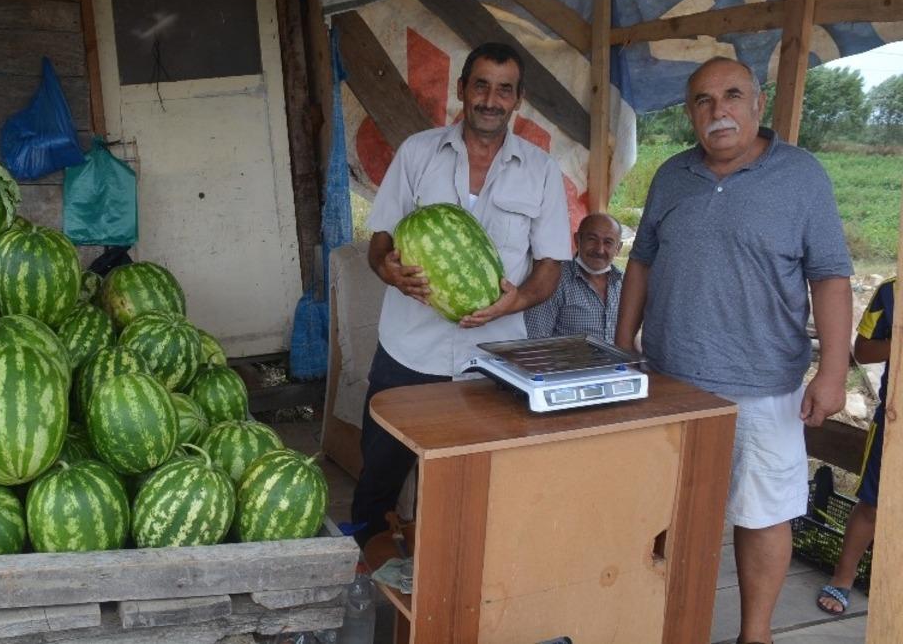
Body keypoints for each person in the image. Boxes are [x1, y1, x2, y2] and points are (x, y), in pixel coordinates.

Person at [615, 56, 853, 644]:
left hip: (763, 385)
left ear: (758, 103)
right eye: (702, 99)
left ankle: (755, 634)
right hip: (669, 380)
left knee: (763, 514)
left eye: (731, 95)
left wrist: (832, 371)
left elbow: (830, 276)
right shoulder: (672, 174)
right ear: (691, 112)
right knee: (665, 513)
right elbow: (641, 259)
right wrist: (622, 341)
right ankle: (665, 624)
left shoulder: (801, 176)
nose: (718, 110)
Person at [349, 42, 572, 547]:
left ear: (518, 99)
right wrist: (389, 271)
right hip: (409, 350)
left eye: (504, 89)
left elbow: (550, 267)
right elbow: (380, 240)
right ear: (461, 90)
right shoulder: (417, 152)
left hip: (492, 358)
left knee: (480, 481)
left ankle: (460, 573)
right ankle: (367, 564)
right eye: (481, 86)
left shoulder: (541, 171)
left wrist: (516, 302)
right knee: (379, 473)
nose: (491, 100)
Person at [816, 275, 895, 616]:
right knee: (873, 504)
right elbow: (863, 350)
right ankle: (843, 577)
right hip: (896, 421)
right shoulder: (892, 291)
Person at [525, 212, 624, 342]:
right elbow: (535, 341)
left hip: (617, 362)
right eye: (592, 239)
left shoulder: (625, 283)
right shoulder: (554, 280)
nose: (599, 249)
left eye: (608, 242)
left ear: (618, 248)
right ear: (577, 240)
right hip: (567, 362)